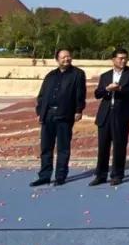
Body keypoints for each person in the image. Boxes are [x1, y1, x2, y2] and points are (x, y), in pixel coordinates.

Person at [31, 49, 87, 187]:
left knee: (63, 147)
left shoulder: (77, 74)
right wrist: (40, 112)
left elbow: (80, 94)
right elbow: (42, 95)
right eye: (63, 57)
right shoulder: (51, 75)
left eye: (68, 56)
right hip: (48, 115)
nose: (66, 59)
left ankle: (60, 176)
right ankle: (44, 176)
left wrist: (78, 110)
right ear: (57, 60)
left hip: (65, 115)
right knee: (46, 147)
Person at [91, 47, 129, 186]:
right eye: (120, 58)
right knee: (103, 145)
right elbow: (97, 93)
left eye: (125, 58)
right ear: (113, 60)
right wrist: (107, 89)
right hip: (106, 113)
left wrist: (119, 89)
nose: (123, 60)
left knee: (119, 145)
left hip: (122, 113)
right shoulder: (105, 76)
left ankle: (117, 174)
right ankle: (100, 174)